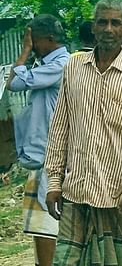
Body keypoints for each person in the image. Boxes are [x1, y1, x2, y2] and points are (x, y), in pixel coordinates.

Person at [44, 0, 122, 265]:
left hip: (119, 195)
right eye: (102, 22)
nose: (108, 29)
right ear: (93, 28)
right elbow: (61, 126)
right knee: (66, 260)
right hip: (76, 191)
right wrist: (53, 182)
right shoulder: (73, 67)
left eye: (115, 23)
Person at [9, 15, 68, 266]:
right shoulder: (49, 65)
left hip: (50, 156)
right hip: (43, 154)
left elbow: (13, 82)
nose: (32, 43)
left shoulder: (60, 65)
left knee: (46, 224)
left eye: (34, 39)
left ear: (49, 39)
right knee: (38, 226)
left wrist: (24, 51)